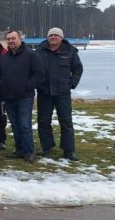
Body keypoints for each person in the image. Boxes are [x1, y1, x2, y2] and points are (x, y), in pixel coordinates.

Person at [36, 27, 84, 161]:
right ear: (47, 37)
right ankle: (46, 146)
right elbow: (33, 68)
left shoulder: (70, 51)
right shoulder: (39, 51)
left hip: (62, 92)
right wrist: (37, 83)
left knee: (66, 121)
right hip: (44, 92)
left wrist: (72, 83)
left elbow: (78, 69)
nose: (53, 37)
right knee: (43, 121)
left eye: (56, 35)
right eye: (50, 35)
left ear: (61, 38)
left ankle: (68, 150)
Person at [0, 30, 44, 163]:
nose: (11, 41)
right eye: (9, 39)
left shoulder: (31, 55)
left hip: (25, 96)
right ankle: (19, 150)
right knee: (14, 124)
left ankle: (29, 151)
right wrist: (0, 85)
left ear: (20, 39)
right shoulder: (5, 57)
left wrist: (27, 86)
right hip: (8, 96)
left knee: (25, 125)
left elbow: (39, 74)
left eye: (13, 38)